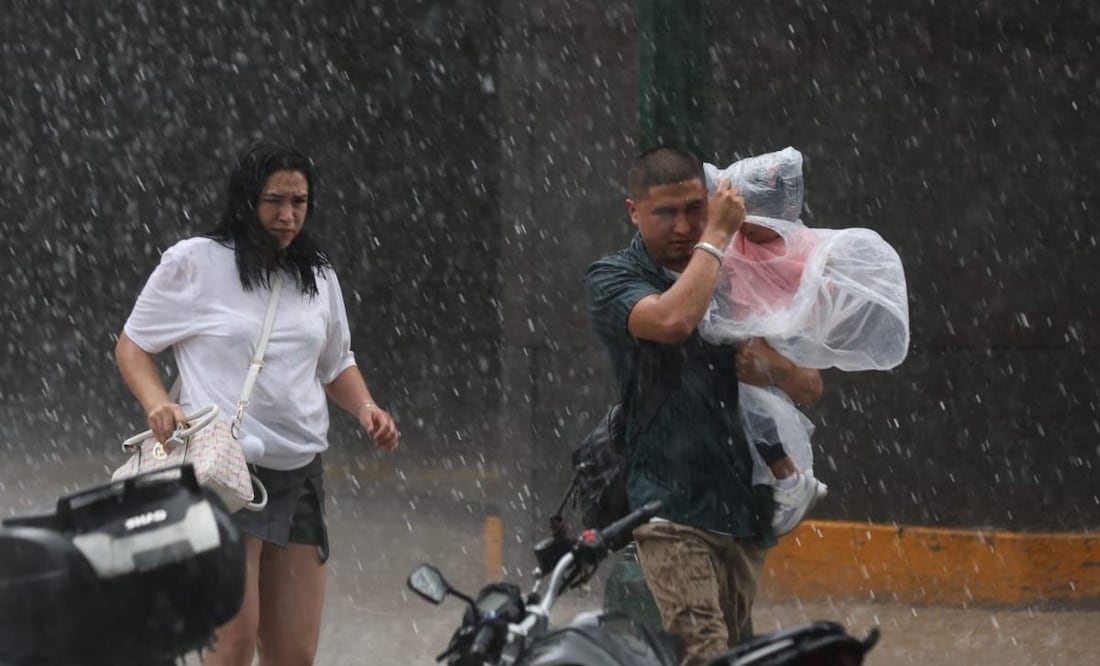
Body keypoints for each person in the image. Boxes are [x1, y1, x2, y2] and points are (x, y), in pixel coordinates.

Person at [114, 141, 400, 666]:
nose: (287, 216)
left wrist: (366, 409)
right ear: (247, 199)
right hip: (223, 474)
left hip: (299, 476)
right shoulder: (195, 263)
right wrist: (158, 403)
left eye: (299, 201)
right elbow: (132, 344)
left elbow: (336, 363)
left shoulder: (317, 276)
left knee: (292, 655)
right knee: (233, 646)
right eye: (274, 200)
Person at [584, 145, 824, 666]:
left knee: (734, 655)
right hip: (668, 507)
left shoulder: (742, 272)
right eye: (664, 212)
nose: (683, 225)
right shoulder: (612, 279)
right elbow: (672, 322)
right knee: (703, 655)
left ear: (711, 199)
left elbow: (809, 386)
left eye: (695, 208)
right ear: (633, 211)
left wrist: (772, 369)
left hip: (742, 508)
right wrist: (716, 236)